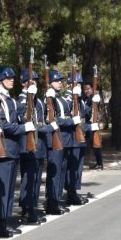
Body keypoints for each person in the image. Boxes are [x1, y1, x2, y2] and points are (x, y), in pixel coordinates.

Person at [0, 65, 33, 237]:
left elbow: (23, 111)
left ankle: (5, 222)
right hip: (3, 149)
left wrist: (30, 94)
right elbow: (3, 124)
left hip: (13, 150)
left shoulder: (10, 100)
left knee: (9, 189)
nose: (12, 81)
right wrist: (23, 129)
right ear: (0, 80)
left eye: (13, 78)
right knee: (2, 190)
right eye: (8, 78)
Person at [17, 68, 49, 225]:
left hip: (40, 145)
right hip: (28, 146)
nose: (34, 83)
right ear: (24, 83)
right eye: (31, 80)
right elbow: (27, 121)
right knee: (28, 179)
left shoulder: (38, 100)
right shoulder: (22, 100)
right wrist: (48, 128)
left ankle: (32, 208)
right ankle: (26, 210)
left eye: (36, 81)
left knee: (36, 179)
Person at [44, 69, 71, 216]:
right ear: (49, 83)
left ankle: (57, 198)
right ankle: (51, 201)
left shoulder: (59, 98)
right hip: (54, 140)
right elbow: (53, 119)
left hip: (63, 139)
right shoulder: (48, 98)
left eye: (60, 80)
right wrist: (71, 121)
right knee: (54, 172)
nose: (60, 82)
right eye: (56, 80)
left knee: (61, 170)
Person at [58, 72, 88, 207]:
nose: (80, 86)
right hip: (72, 138)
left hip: (79, 136)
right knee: (72, 167)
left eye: (80, 84)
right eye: (77, 83)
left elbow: (85, 112)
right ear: (70, 85)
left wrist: (92, 100)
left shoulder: (79, 98)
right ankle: (71, 192)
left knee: (78, 166)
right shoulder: (66, 99)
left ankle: (74, 191)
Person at [83, 81, 104, 170]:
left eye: (88, 89)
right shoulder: (85, 99)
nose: (86, 91)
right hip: (86, 124)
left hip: (93, 123)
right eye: (84, 89)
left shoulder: (95, 98)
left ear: (92, 89)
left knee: (95, 144)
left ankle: (100, 163)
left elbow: (98, 105)